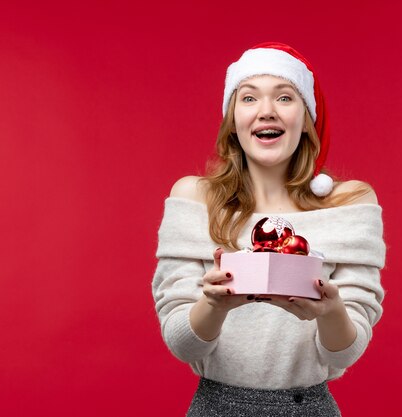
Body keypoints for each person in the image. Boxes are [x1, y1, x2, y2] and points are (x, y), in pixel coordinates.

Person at [152, 42, 387, 416]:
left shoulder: (349, 204)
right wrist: (214, 305)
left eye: (284, 97)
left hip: (309, 407)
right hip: (216, 407)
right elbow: (183, 345)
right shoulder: (194, 197)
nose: (266, 111)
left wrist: (329, 311)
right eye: (249, 98)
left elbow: (346, 350)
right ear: (233, 120)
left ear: (306, 118)